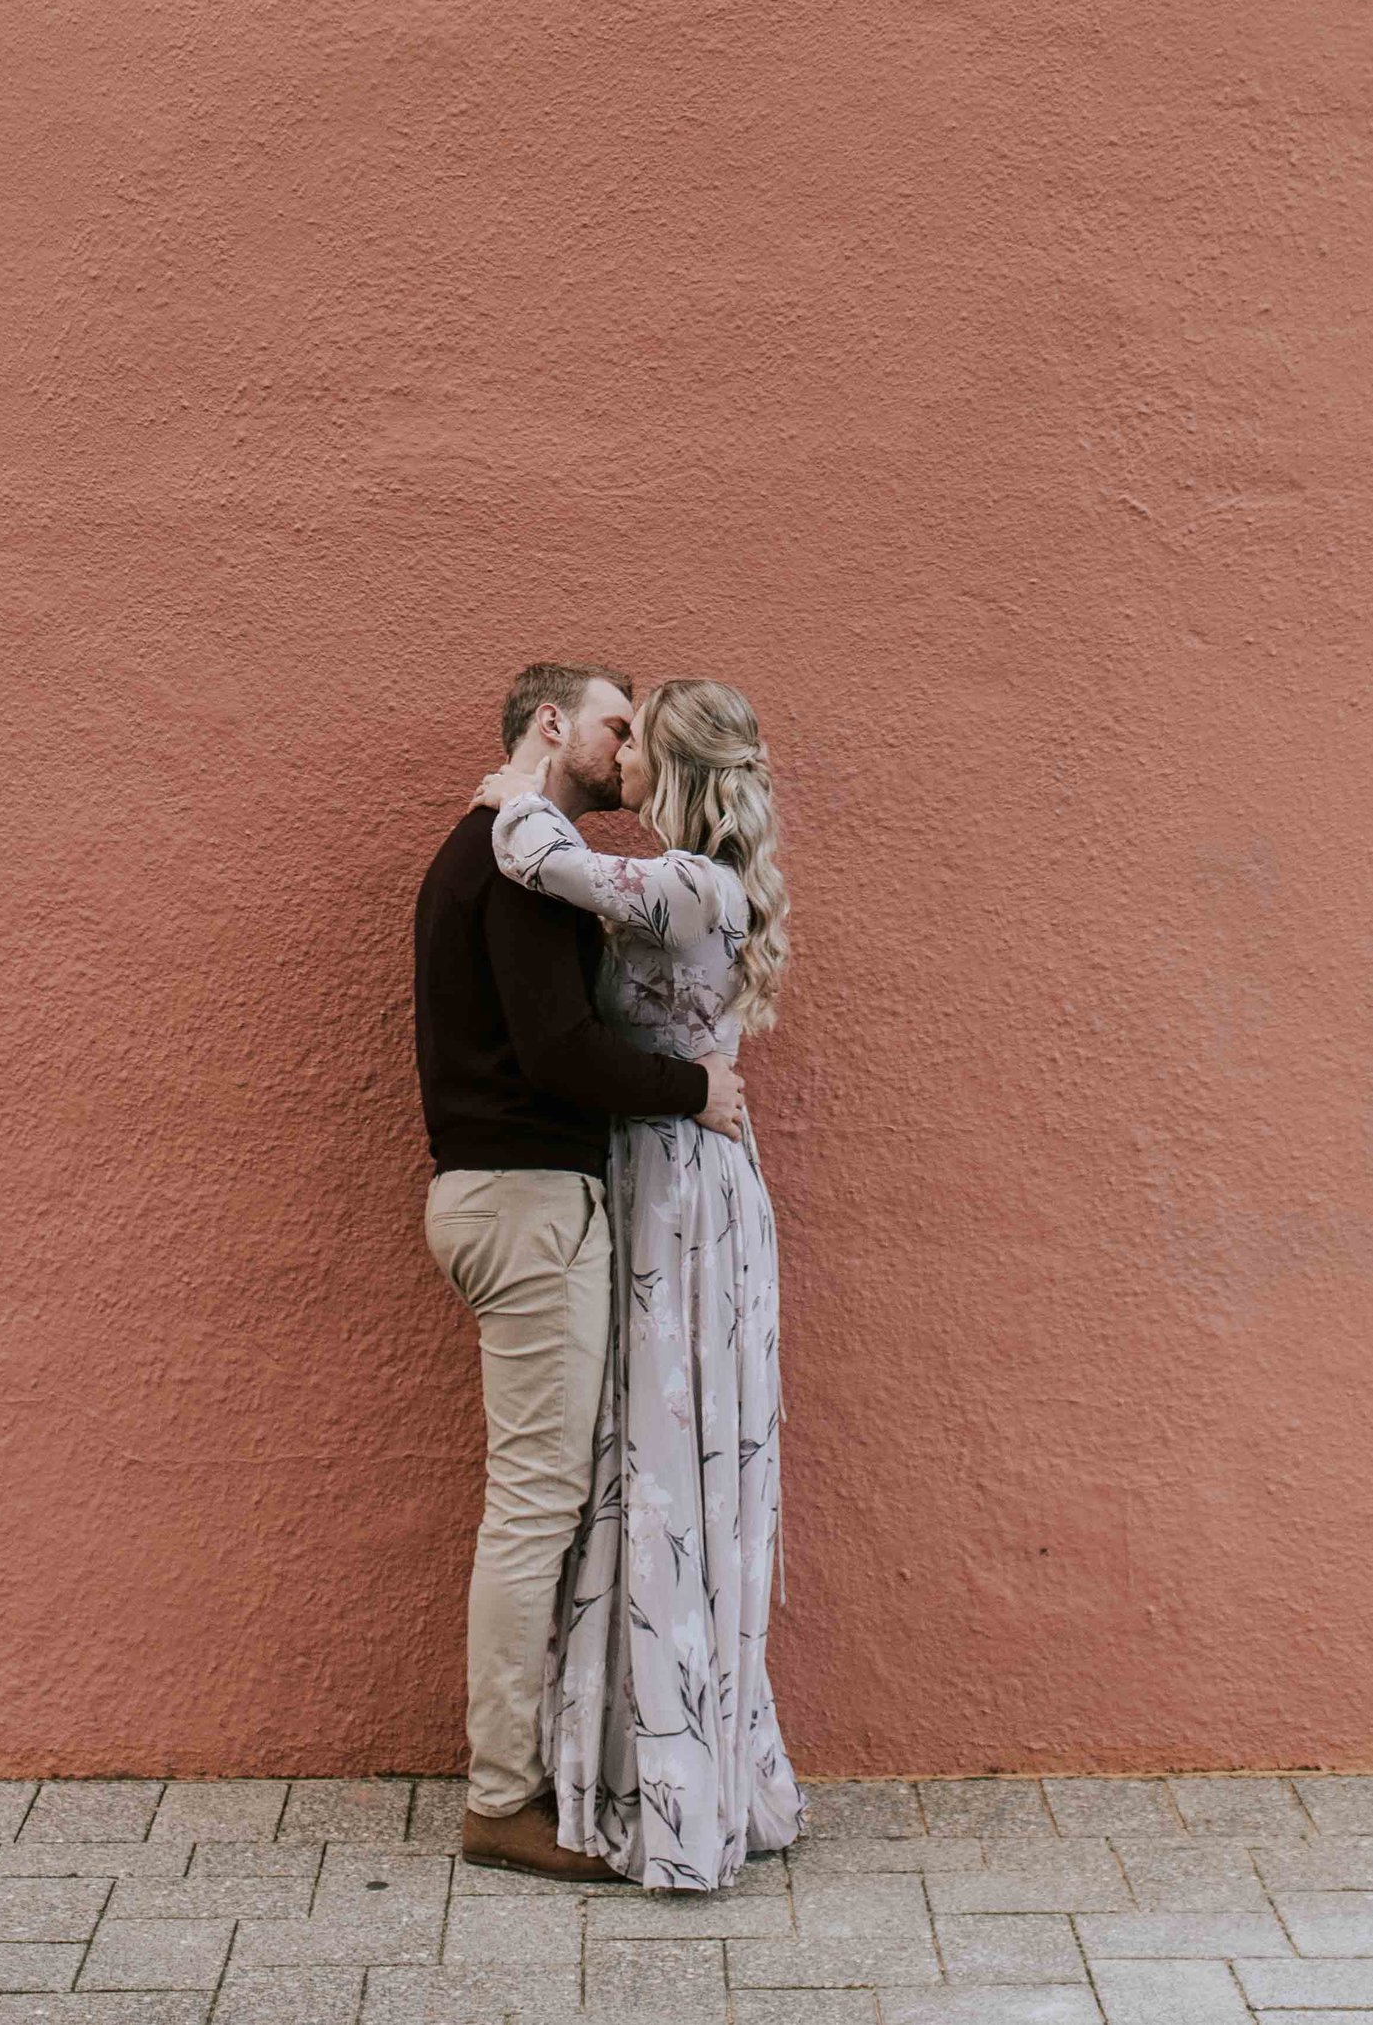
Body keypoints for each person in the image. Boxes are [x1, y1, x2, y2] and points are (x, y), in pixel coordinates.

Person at [415, 662, 746, 1883]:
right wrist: (692, 1087)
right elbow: (559, 1049)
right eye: (615, 723)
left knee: (540, 1493)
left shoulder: (500, 844)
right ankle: (500, 1796)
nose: (627, 745)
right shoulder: (516, 860)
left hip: (499, 1196)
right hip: (529, 1201)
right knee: (537, 1503)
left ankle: (530, 1765)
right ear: (552, 724)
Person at [491, 677, 803, 1892]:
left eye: (634, 742)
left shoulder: (685, 885)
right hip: (672, 1174)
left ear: (669, 771)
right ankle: (678, 1749)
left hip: (676, 1191)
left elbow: (536, 851)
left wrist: (521, 784)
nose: (616, 758)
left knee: (665, 1463)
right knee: (655, 1459)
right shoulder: (700, 881)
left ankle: (671, 1785)